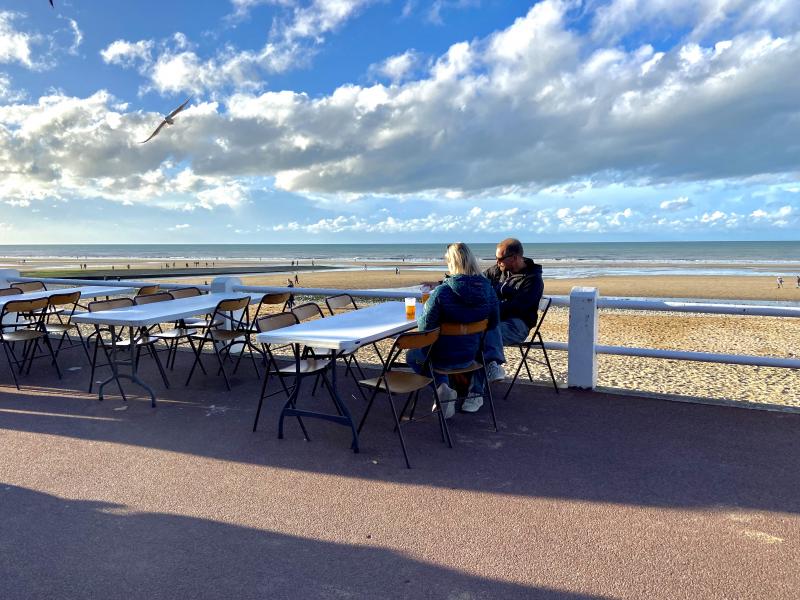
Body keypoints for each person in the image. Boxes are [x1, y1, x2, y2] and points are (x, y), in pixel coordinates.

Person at [406, 243, 499, 418]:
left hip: (442, 358)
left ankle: (442, 388)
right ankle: (450, 390)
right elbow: (493, 323)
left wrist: (425, 310)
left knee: (412, 356)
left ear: (451, 263)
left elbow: (425, 328)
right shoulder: (489, 290)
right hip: (472, 357)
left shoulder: (442, 293)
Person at [481, 238, 544, 382]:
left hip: (518, 325)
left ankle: (480, 383)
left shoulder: (533, 280)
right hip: (494, 319)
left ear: (515, 258)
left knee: (481, 334)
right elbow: (476, 280)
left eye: (500, 259)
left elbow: (515, 308)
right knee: (471, 332)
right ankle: (483, 372)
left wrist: (487, 311)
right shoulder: (499, 270)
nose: (497, 262)